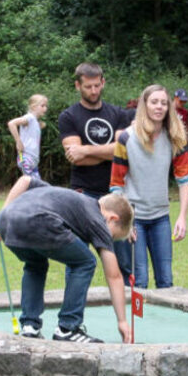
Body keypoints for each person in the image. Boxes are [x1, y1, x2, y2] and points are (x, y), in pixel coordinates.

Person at [0, 175, 133, 343]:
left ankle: (30, 327)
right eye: (113, 236)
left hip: (7, 221)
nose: (107, 240)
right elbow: (114, 276)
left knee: (35, 264)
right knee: (86, 262)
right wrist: (122, 321)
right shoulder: (98, 219)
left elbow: (26, 180)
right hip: (40, 221)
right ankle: (68, 328)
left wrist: (1, 216)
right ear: (112, 218)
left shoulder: (61, 196)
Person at [110, 84, 188, 288]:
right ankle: (136, 311)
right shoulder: (126, 138)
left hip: (161, 217)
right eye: (154, 102)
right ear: (144, 105)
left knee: (166, 280)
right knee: (140, 281)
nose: (159, 107)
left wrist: (182, 216)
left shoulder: (176, 137)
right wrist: (125, 222)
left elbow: (184, 180)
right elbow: (116, 185)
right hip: (135, 218)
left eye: (164, 103)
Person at [58, 63, 134, 275]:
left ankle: (125, 295)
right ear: (77, 85)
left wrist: (86, 150)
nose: (93, 91)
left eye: (97, 85)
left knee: (124, 260)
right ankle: (74, 298)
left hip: (115, 192)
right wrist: (108, 152)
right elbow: (76, 158)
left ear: (103, 83)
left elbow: (122, 151)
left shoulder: (118, 114)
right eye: (88, 86)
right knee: (77, 259)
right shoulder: (68, 116)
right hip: (84, 192)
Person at [7, 94, 49, 180]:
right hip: (26, 157)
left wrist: (39, 125)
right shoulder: (29, 117)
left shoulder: (34, 121)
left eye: (46, 106)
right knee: (31, 182)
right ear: (33, 107)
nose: (45, 109)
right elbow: (11, 123)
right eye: (42, 106)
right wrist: (18, 142)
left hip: (33, 159)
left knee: (35, 184)